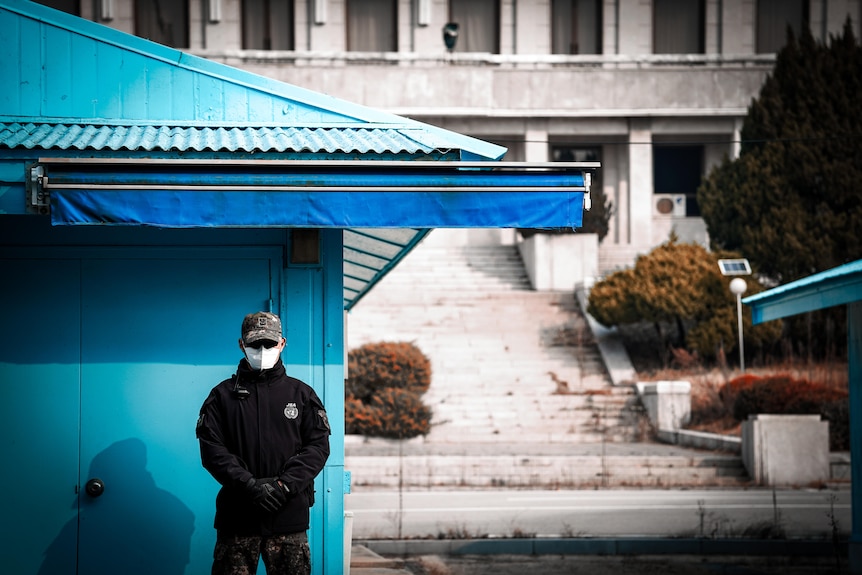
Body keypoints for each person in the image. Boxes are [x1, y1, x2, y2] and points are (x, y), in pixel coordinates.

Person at [196, 311, 331, 575]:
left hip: (288, 519)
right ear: (241, 344)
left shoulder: (302, 394)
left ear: (282, 343)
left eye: (269, 343)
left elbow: (317, 447)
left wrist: (284, 486)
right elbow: (212, 450)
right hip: (237, 520)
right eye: (255, 344)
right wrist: (248, 486)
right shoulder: (222, 396)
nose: (262, 349)